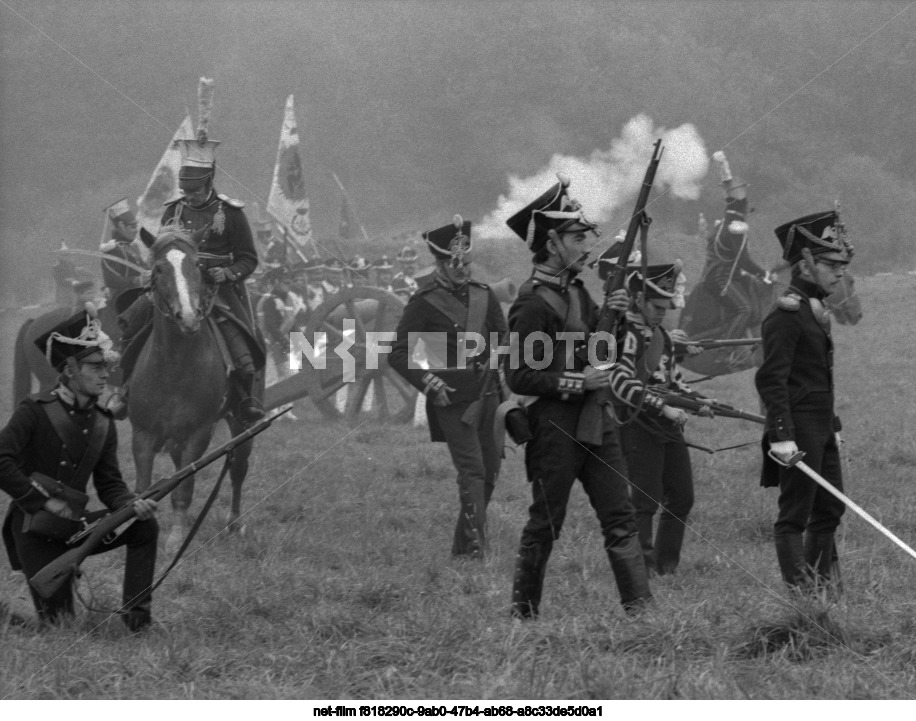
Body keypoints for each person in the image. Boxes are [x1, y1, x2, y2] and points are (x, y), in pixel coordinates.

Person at [503, 176, 652, 618]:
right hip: (555, 425)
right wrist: (575, 382)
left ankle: (642, 613)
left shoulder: (579, 293)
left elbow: (600, 354)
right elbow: (519, 376)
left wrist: (617, 320)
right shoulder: (532, 304)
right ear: (552, 244)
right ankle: (523, 615)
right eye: (577, 237)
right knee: (546, 522)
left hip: (595, 419)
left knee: (620, 516)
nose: (586, 244)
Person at [0, 311, 159, 631]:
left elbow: (109, 484)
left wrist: (131, 504)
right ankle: (8, 615)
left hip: (73, 526)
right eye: (96, 367)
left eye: (106, 367)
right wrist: (42, 501)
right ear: (71, 369)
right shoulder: (33, 410)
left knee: (145, 526)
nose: (105, 375)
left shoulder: (103, 422)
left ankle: (137, 621)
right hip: (34, 529)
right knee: (60, 626)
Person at [116, 124, 266, 422]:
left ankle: (245, 397)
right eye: (185, 191)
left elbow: (249, 259)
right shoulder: (173, 210)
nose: (189, 196)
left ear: (209, 182)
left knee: (242, 339)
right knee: (133, 323)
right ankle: (126, 390)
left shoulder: (232, 213)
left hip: (219, 287)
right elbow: (161, 250)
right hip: (175, 281)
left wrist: (229, 273)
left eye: (195, 191)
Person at [389, 215, 508, 559]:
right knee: (473, 471)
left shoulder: (484, 294)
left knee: (490, 472)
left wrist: (498, 358)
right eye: (455, 264)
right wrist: (429, 382)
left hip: (489, 394)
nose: (463, 270)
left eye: (466, 263)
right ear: (440, 264)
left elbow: (503, 336)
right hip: (452, 398)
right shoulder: (423, 301)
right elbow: (397, 353)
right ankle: (476, 550)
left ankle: (463, 546)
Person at [755, 209, 853, 595]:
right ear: (806, 264)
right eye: (831, 264)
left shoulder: (815, 310)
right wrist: (781, 435)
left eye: (841, 265)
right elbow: (771, 379)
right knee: (794, 515)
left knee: (830, 508)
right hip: (796, 430)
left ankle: (821, 588)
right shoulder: (787, 313)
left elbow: (817, 378)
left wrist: (833, 425)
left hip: (820, 427)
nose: (839, 272)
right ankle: (802, 599)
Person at [608, 260, 711, 575]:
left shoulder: (660, 335)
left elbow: (673, 381)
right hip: (639, 425)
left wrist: (699, 402)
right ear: (639, 299)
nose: (661, 313)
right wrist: (662, 407)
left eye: (665, 307)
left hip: (668, 425)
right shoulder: (625, 333)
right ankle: (642, 566)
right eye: (656, 306)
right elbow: (620, 383)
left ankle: (666, 565)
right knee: (644, 501)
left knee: (682, 497)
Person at [702, 157, 769, 340]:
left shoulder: (722, 224)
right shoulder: (735, 229)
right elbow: (743, 260)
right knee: (745, 309)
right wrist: (765, 275)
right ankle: (726, 349)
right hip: (720, 279)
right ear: (742, 206)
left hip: (715, 274)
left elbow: (728, 258)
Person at [99, 198, 147, 306]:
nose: (136, 230)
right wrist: (135, 281)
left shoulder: (134, 247)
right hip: (122, 300)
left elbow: (143, 268)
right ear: (121, 226)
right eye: (132, 227)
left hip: (142, 293)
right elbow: (111, 280)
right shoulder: (112, 251)